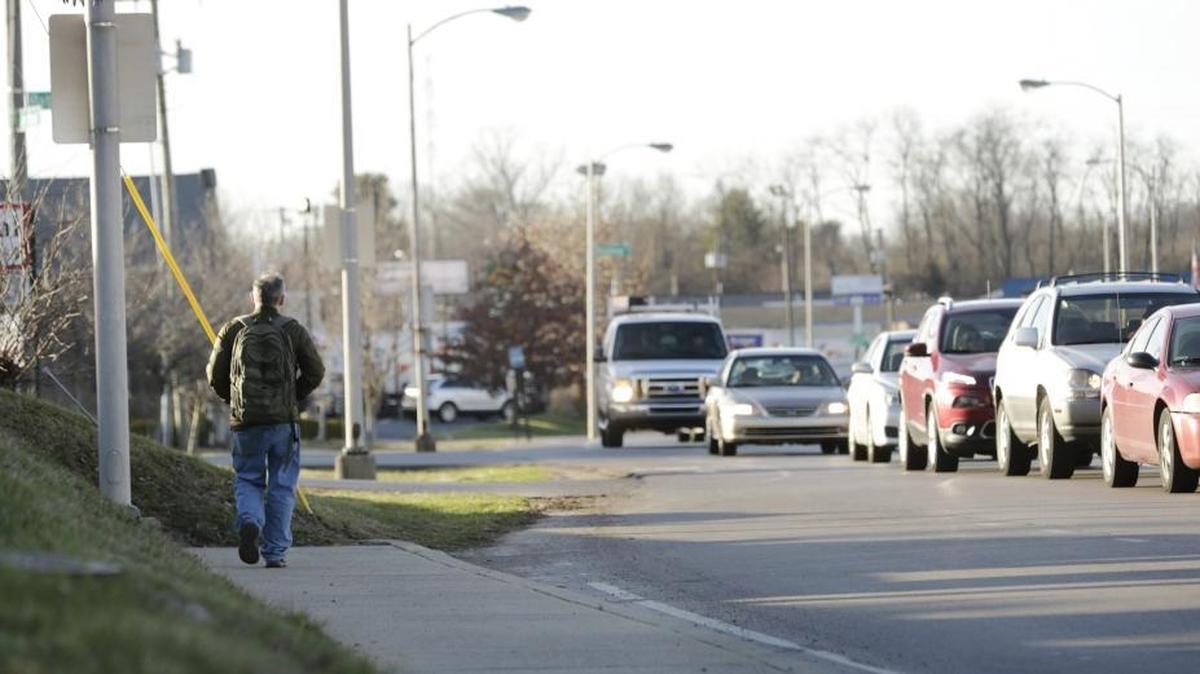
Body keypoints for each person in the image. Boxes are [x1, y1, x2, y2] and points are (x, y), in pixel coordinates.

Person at [206, 272, 324, 568]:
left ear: (253, 298)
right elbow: (316, 371)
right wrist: (292, 397)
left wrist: (233, 401)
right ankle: (275, 552)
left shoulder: (233, 329)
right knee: (282, 486)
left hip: (246, 423)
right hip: (283, 423)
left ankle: (250, 522)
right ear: (281, 299)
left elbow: (214, 376)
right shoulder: (293, 330)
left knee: (248, 478)